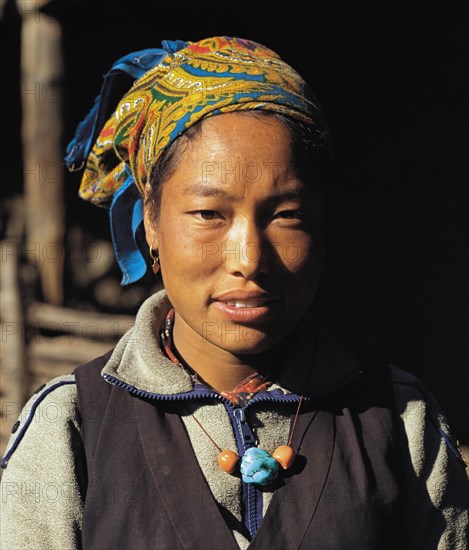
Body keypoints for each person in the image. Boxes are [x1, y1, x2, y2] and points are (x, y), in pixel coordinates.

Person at [1, 36, 468, 550]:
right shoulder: (73, 424)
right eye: (208, 214)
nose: (249, 260)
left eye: (287, 216)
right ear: (151, 223)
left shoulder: (399, 419)